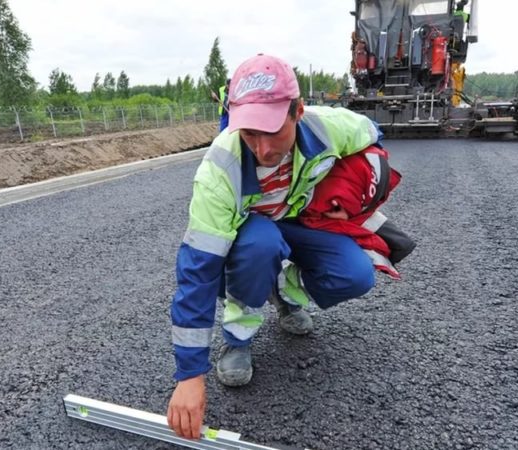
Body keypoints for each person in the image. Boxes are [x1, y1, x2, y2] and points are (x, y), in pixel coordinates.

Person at [166, 53, 397, 440]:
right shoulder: (218, 171)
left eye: (272, 130)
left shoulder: (330, 127)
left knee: (356, 275)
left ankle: (283, 292)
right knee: (260, 243)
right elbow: (198, 273)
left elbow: (372, 137)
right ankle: (238, 340)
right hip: (254, 238)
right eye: (249, 133)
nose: (262, 148)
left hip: (301, 222)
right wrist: (190, 375)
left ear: (298, 112)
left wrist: (351, 192)